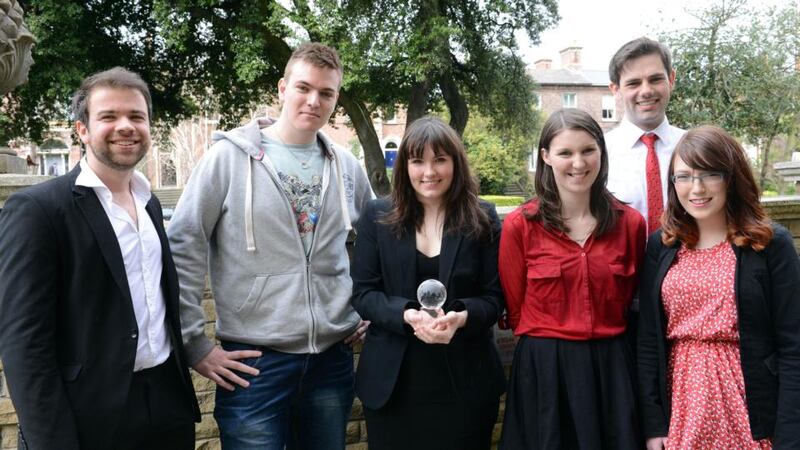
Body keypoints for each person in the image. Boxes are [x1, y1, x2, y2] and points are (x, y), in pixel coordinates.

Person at [168, 42, 373, 450]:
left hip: (331, 360)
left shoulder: (346, 166)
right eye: (304, 87)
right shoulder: (226, 159)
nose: (314, 101)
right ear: (282, 88)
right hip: (253, 363)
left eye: (327, 93)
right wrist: (194, 345)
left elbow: (380, 238)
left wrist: (371, 306)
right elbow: (184, 243)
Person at [0, 67, 200, 450]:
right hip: (87, 417)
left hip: (166, 407)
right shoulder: (38, 210)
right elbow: (24, 347)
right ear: (83, 130)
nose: (125, 126)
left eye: (136, 116)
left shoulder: (150, 203)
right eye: (109, 116)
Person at [637, 126, 800, 450]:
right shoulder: (663, 245)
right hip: (682, 404)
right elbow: (648, 341)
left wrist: (790, 435)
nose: (695, 188)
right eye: (683, 176)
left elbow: (793, 346)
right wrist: (653, 424)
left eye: (709, 174)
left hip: (751, 405)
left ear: (731, 177)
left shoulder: (769, 244)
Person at [350, 116, 505, 450]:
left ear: (455, 163)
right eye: (418, 160)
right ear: (404, 165)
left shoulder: (482, 218)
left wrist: (461, 317)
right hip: (394, 384)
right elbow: (363, 294)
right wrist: (407, 315)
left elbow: (494, 298)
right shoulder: (377, 217)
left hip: (465, 381)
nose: (429, 172)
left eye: (440, 160)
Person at [498, 109, 646, 450]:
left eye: (587, 150)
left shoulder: (631, 224)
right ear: (546, 157)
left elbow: (630, 298)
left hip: (611, 369)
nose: (578, 163)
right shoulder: (520, 226)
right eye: (566, 152)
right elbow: (516, 306)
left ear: (601, 153)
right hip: (545, 370)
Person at [606, 37, 686, 235]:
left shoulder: (696, 148)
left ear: (671, 79)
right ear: (615, 90)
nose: (646, 91)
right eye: (633, 83)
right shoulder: (597, 154)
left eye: (655, 79)